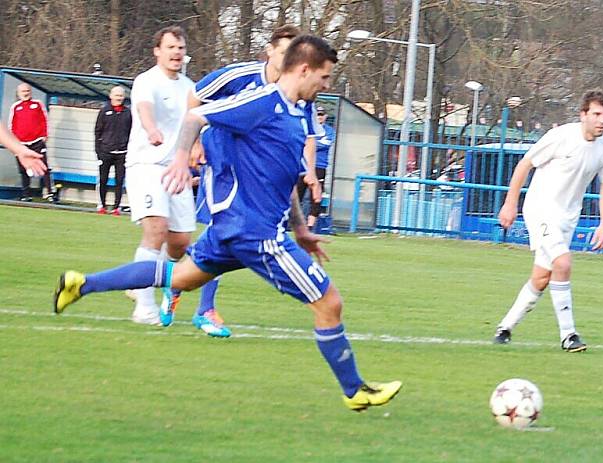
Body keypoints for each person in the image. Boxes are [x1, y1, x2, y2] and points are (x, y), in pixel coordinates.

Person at [54, 35, 402, 412]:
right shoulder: (261, 101)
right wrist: (181, 156)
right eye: (325, 76)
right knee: (329, 302)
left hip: (235, 231)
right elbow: (196, 115)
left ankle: (82, 284)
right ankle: (354, 391)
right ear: (303, 69)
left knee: (179, 278)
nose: (327, 85)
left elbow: (283, 177)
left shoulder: (297, 112)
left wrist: (300, 228)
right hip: (256, 234)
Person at [183, 24, 325, 338]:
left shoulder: (300, 93)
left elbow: (307, 136)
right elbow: (195, 99)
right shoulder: (238, 77)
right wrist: (195, 146)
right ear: (270, 51)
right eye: (285, 50)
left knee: (230, 238)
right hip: (222, 163)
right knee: (226, 231)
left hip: (260, 170)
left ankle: (177, 283)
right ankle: (200, 303)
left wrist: (309, 171)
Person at [492, 90, 603, 352]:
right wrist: (510, 203)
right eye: (596, 114)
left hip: (567, 217)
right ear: (583, 115)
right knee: (563, 262)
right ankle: (568, 334)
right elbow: (525, 165)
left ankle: (505, 328)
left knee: (541, 277)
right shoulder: (562, 136)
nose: (602, 120)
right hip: (540, 209)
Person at [125, 25, 196, 325]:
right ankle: (144, 308)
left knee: (180, 241)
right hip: (146, 165)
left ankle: (140, 277)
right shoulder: (146, 81)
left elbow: (194, 120)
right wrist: (152, 128)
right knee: (157, 229)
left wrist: (198, 147)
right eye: (171, 47)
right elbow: (143, 108)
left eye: (180, 48)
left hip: (176, 169)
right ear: (158, 51)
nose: (176, 53)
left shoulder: (190, 86)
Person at [9, 83, 54, 201]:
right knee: (24, 169)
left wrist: (45, 135)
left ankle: (50, 193)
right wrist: (14, 142)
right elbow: (11, 125)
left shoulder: (37, 104)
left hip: (37, 141)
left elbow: (45, 120)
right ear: (18, 93)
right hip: (22, 144)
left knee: (43, 166)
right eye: (23, 91)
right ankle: (26, 194)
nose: (26, 93)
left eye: (27, 90)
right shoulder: (15, 107)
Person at [94, 86, 132, 215]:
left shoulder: (128, 113)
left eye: (121, 95)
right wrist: (98, 151)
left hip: (122, 153)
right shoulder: (104, 111)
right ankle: (102, 206)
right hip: (105, 152)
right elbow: (97, 131)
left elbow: (132, 132)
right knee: (103, 180)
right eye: (116, 95)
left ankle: (117, 207)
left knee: (119, 180)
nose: (119, 98)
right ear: (111, 96)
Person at [296, 105, 335, 228]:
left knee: (316, 197)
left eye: (322, 115)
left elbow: (324, 144)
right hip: (303, 165)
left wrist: (311, 143)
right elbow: (302, 142)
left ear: (325, 116)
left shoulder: (329, 131)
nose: (320, 117)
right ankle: (293, 223)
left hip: (319, 166)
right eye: (318, 114)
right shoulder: (307, 126)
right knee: (297, 194)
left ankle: (310, 226)